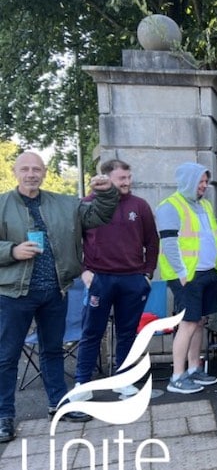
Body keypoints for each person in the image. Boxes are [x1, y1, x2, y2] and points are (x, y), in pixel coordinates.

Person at [0, 152, 119, 443]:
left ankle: (59, 405)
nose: (31, 174)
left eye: (37, 169)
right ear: (16, 172)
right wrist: (11, 251)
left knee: (52, 350)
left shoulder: (65, 203)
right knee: (7, 356)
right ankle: (4, 416)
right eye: (25, 169)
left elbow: (98, 216)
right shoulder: (2, 204)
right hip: (15, 293)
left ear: (44, 172)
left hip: (55, 290)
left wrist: (106, 193)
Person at [72, 159, 159, 401]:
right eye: (122, 179)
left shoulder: (140, 206)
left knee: (127, 332)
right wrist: (83, 271)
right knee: (91, 331)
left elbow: (152, 241)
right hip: (99, 278)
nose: (127, 183)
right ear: (107, 178)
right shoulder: (86, 205)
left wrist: (148, 273)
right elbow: (72, 243)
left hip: (132, 279)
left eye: (129, 178)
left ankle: (124, 382)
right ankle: (82, 383)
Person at [156, 162, 217, 395]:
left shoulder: (204, 205)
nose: (204, 186)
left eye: (206, 182)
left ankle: (194, 368)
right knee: (187, 324)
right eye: (200, 182)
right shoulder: (170, 207)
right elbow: (169, 244)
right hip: (187, 276)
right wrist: (182, 274)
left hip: (207, 273)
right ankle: (177, 376)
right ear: (188, 181)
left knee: (198, 322)